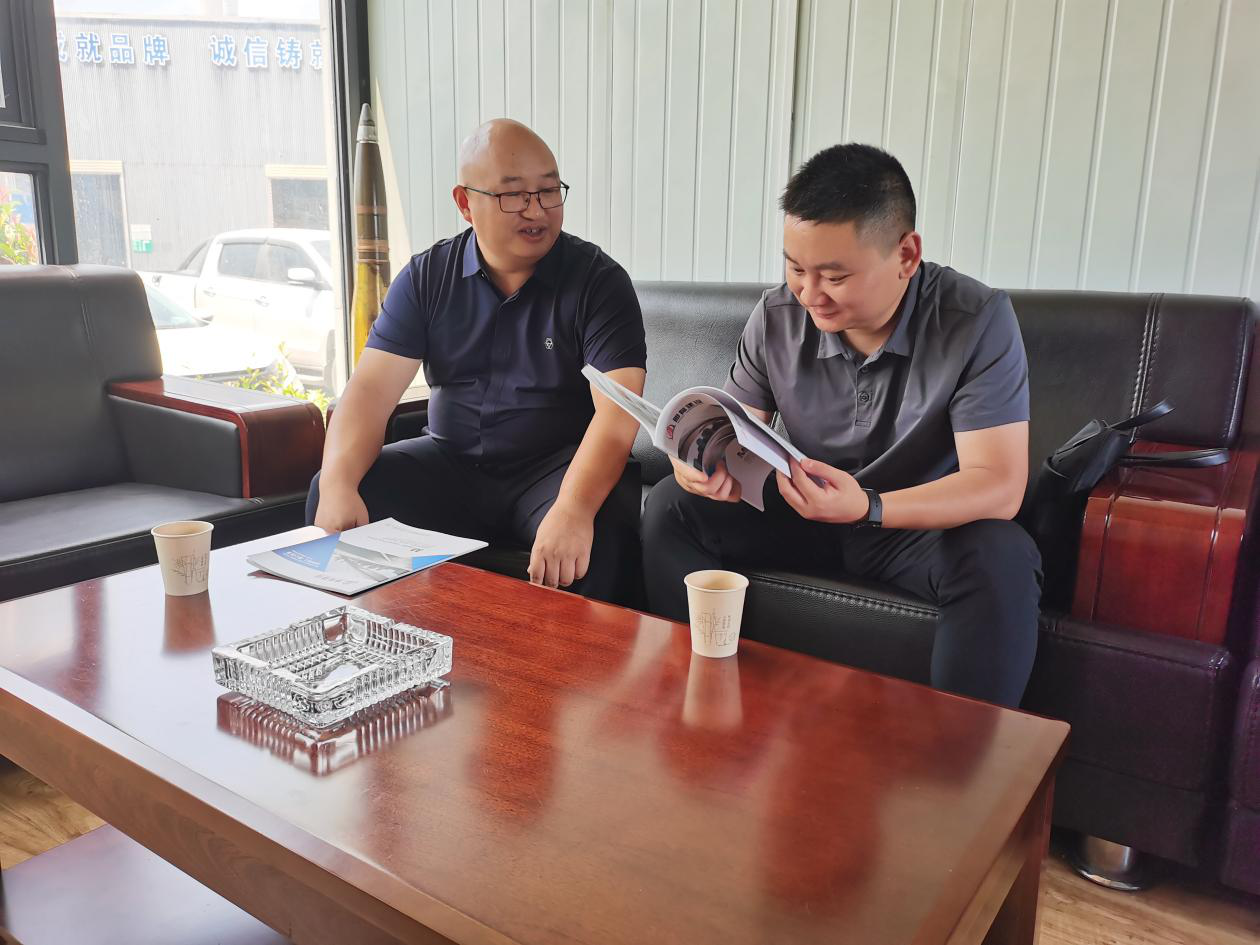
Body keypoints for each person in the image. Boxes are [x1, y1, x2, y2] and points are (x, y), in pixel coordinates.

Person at [641, 143, 1041, 707]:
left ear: (906, 254)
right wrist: (704, 467)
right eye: (795, 268)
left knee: (1001, 556)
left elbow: (999, 484)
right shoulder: (777, 316)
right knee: (670, 505)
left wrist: (869, 506)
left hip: (909, 527)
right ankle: (696, 701)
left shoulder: (975, 322)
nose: (809, 294)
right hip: (804, 509)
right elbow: (738, 434)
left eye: (834, 276)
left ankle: (966, 752)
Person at [308, 119, 646, 605]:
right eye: (514, 195)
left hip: (556, 471)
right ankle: (380, 647)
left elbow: (618, 414)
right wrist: (339, 482)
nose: (537, 210)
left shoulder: (599, 282)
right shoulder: (427, 277)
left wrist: (573, 508)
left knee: (599, 528)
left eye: (549, 191)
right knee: (336, 491)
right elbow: (369, 392)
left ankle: (577, 660)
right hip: (451, 465)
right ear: (466, 203)